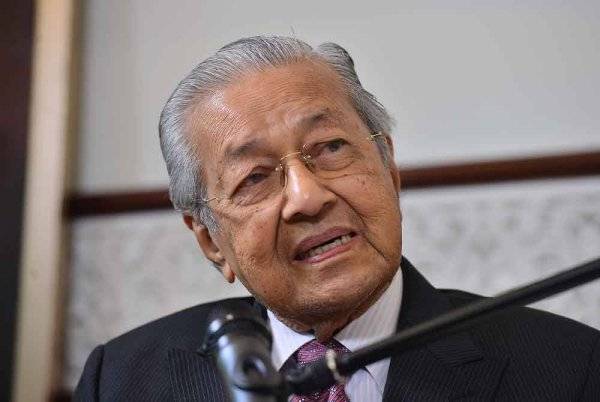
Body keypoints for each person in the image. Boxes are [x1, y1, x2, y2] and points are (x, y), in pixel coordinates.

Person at [75, 36, 600, 401]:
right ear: (211, 241)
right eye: (254, 177)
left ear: (389, 169)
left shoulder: (571, 369)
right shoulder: (121, 381)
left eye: (330, 148)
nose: (307, 197)